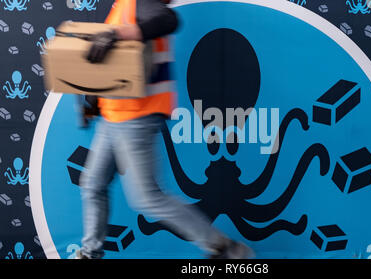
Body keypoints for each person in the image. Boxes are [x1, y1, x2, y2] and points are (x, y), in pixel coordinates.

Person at [75, 0, 254, 259]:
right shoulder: (122, 6)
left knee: (147, 198)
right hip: (112, 117)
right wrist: (95, 100)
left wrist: (115, 33)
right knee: (92, 184)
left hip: (136, 118)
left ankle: (223, 248)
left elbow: (168, 20)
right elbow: (118, 64)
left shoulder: (140, 3)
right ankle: (90, 253)